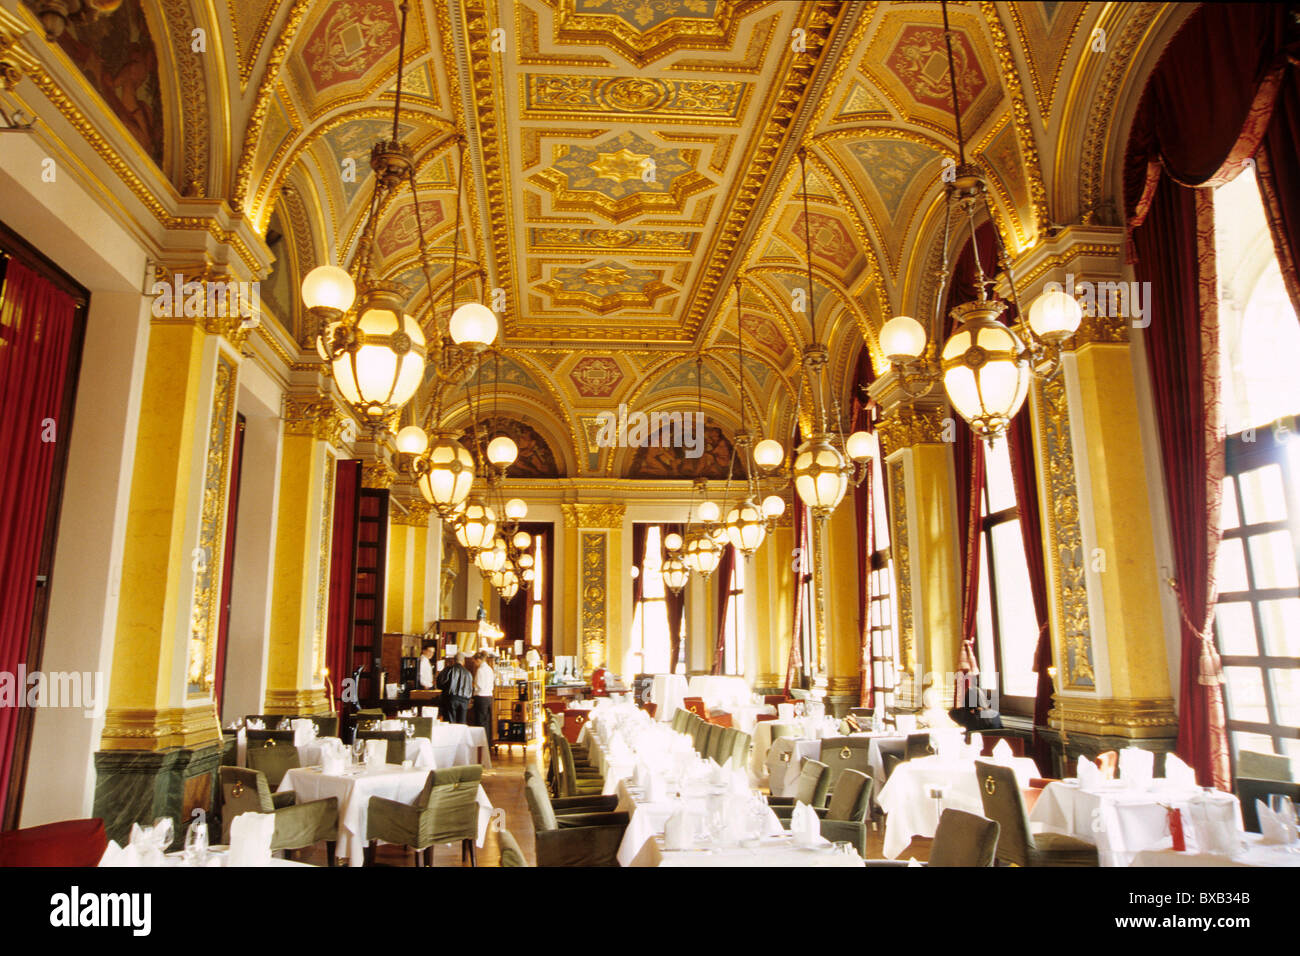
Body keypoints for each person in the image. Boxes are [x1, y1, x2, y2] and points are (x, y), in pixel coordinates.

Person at [437, 652, 472, 724]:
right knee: (462, 723)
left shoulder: (448, 670)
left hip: (451, 699)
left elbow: (440, 684)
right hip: (464, 701)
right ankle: (461, 735)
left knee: (451, 723)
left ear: (453, 660)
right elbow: (470, 688)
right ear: (463, 661)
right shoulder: (468, 673)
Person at [472, 651, 496, 750]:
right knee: (487, 721)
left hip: (481, 697)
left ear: (478, 660)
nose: (474, 664)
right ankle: (487, 743)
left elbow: (480, 685)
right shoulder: (489, 669)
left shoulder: (481, 670)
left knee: (480, 721)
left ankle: (481, 744)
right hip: (488, 697)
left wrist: (473, 685)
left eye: (474, 662)